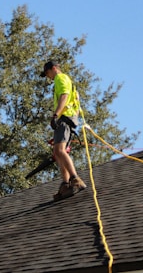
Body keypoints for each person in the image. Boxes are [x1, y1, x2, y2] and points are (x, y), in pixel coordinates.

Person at [40, 60, 87, 201]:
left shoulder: (61, 78)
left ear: (53, 68)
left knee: (59, 150)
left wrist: (56, 115)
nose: (48, 77)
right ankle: (66, 184)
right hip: (68, 117)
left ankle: (75, 179)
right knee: (58, 151)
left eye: (47, 73)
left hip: (65, 117)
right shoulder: (64, 79)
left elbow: (64, 96)